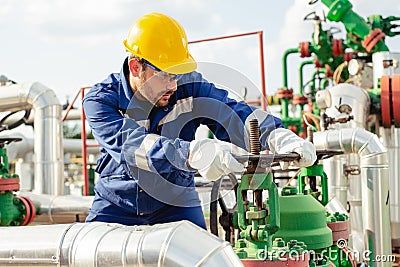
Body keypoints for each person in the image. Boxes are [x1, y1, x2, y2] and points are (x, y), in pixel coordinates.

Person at [83, 12, 317, 229]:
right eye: (165, 75)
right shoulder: (101, 101)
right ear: (136, 67)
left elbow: (229, 112)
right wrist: (191, 153)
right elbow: (133, 147)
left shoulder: (188, 86)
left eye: (177, 74)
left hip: (175, 202)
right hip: (117, 203)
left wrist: (274, 134)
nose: (173, 85)